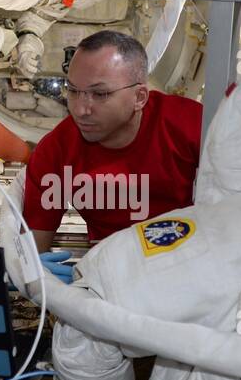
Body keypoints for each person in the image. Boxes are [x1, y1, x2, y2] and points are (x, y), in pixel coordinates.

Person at [21, 30, 202, 280]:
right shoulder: (57, 151)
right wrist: (37, 277)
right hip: (109, 279)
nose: (81, 109)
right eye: (73, 91)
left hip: (191, 271)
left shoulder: (192, 127)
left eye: (100, 94)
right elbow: (31, 251)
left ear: (139, 97)